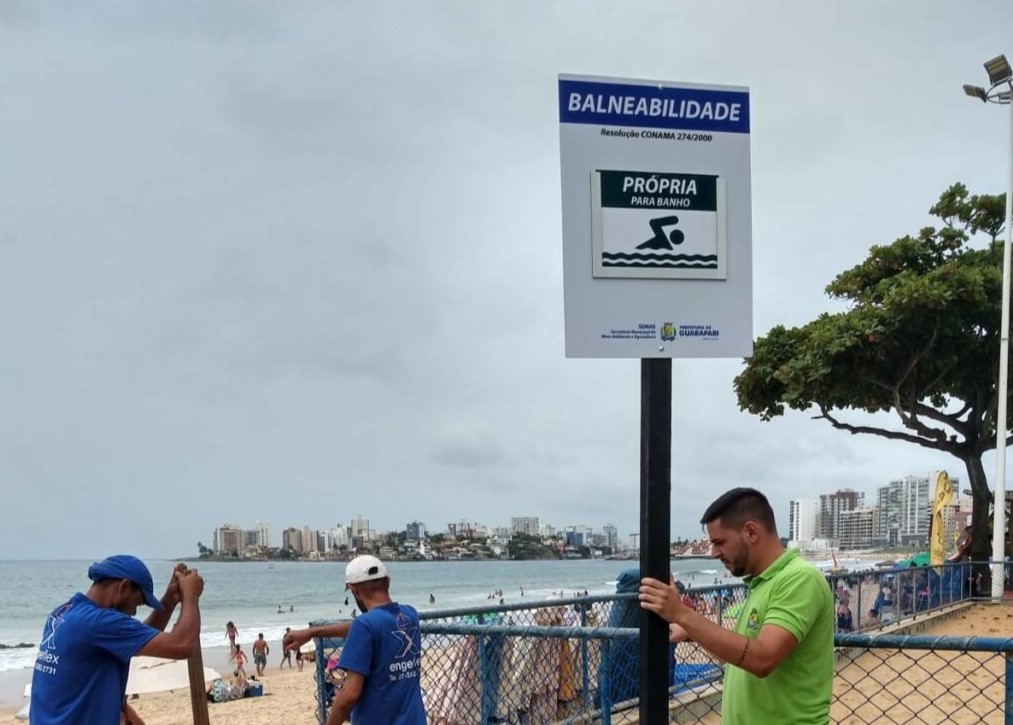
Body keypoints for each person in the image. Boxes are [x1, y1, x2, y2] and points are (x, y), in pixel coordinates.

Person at [639, 487, 834, 725]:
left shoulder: (800, 579)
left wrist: (681, 613)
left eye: (719, 542)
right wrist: (692, 631)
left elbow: (762, 659)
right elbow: (741, 655)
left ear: (751, 532)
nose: (713, 553)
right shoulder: (760, 583)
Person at [29, 556, 204, 725]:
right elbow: (183, 645)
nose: (134, 613)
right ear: (124, 586)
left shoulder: (63, 613)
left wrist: (169, 600)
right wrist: (191, 597)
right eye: (137, 603)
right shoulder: (99, 622)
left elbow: (134, 639)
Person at [283, 555, 425, 724]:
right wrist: (312, 633)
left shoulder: (365, 626)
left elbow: (349, 695)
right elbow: (368, 625)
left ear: (354, 590)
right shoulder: (410, 615)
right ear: (388, 582)